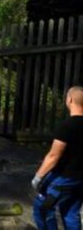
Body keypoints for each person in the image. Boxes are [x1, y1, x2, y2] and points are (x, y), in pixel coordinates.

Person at [32, 86, 83, 230]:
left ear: (70, 99)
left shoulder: (67, 126)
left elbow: (54, 155)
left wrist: (38, 177)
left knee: (42, 209)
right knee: (71, 213)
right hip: (80, 180)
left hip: (63, 179)